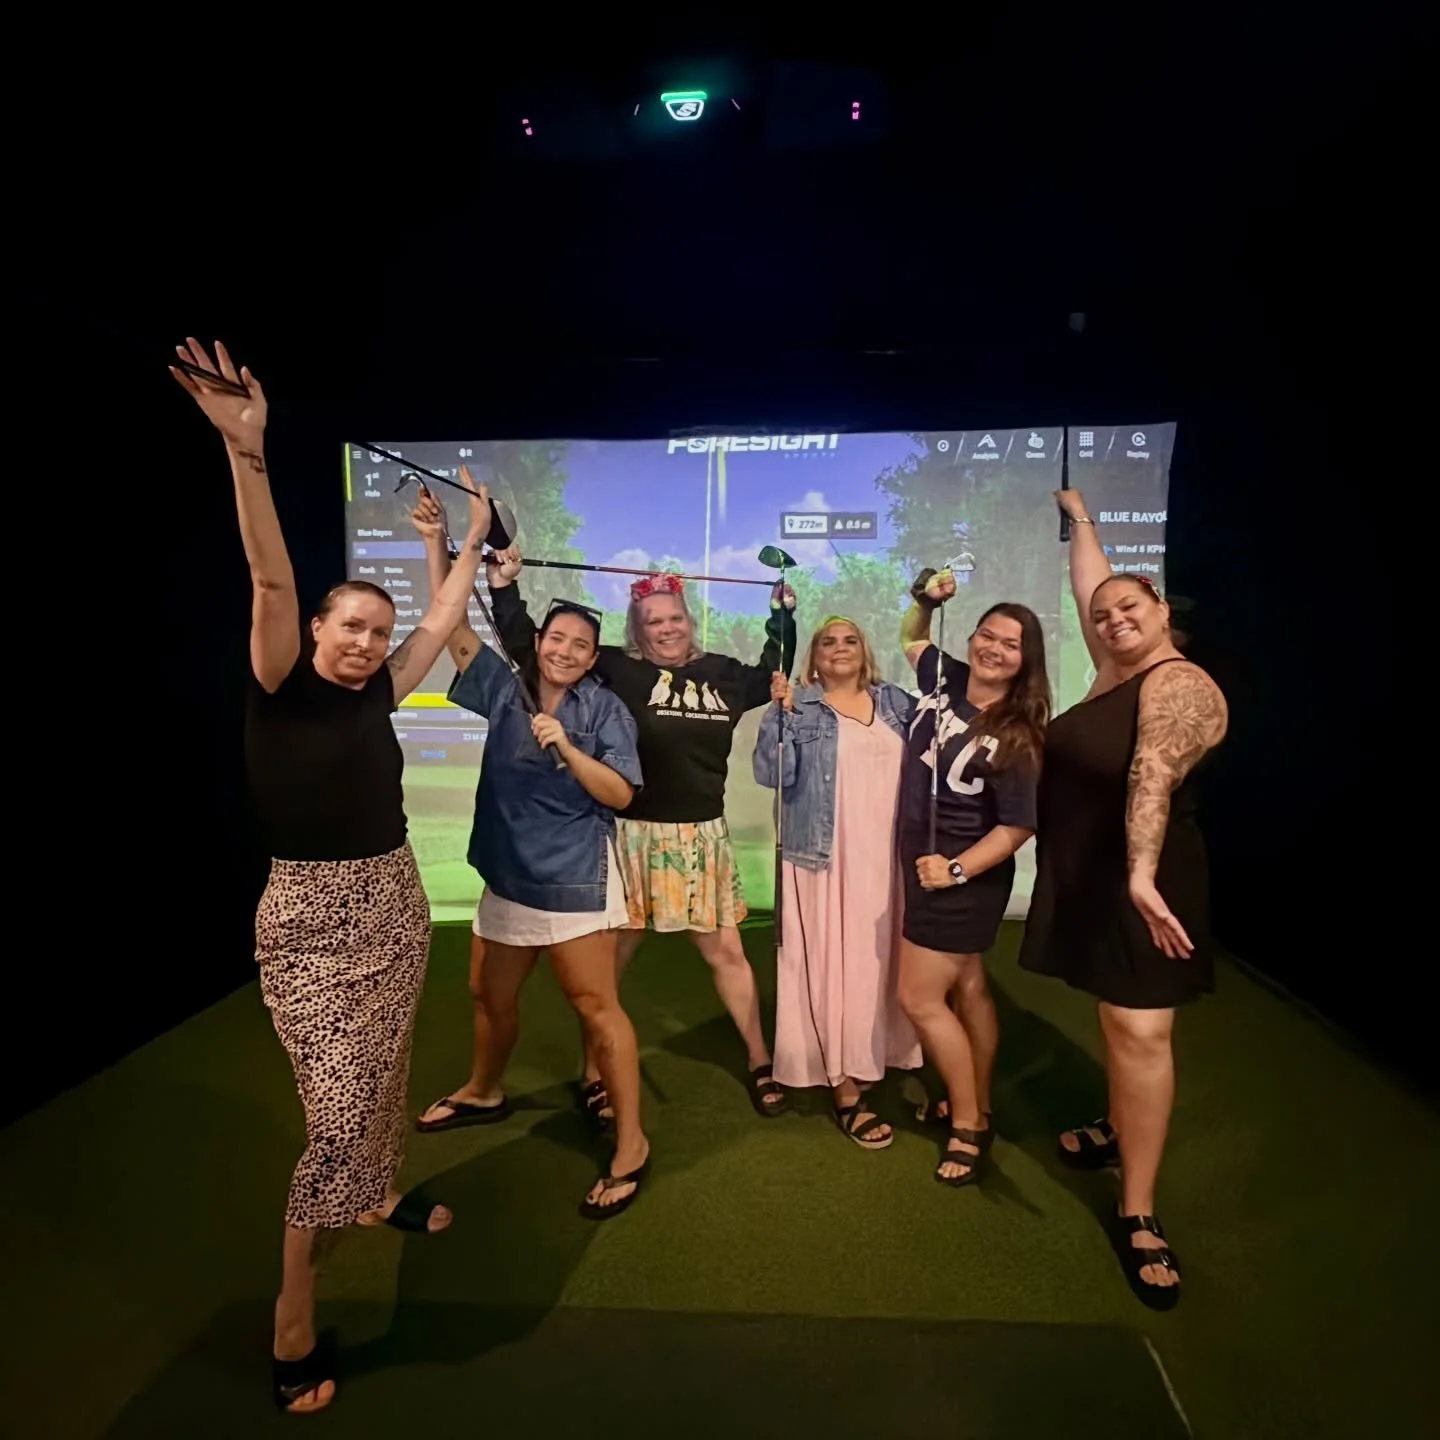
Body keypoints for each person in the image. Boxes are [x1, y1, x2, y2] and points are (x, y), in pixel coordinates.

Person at [170, 339, 492, 1415]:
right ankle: (294, 1311)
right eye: (348, 625)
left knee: (388, 1068)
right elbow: (267, 569)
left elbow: (445, 621)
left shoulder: (376, 693)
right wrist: (246, 453)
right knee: (338, 1112)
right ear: (314, 629)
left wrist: (471, 541)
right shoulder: (279, 682)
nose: (365, 642)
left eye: (377, 630)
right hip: (305, 916)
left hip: (393, 898)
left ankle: (379, 1197)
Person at [461, 555, 796, 1125]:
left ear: (689, 620)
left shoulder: (724, 673)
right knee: (609, 965)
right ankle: (595, 1072)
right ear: (637, 631)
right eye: (653, 623)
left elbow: (775, 662)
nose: (666, 629)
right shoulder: (615, 668)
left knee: (728, 954)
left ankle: (761, 1060)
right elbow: (531, 647)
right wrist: (504, 587)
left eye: (674, 619)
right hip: (627, 836)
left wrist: (783, 612)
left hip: (698, 837)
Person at [408, 490, 650, 1217]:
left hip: (575, 882)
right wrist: (439, 544)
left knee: (598, 1009)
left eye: (581, 645)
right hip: (508, 877)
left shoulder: (603, 710)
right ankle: (485, 1088)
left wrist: (570, 749)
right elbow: (448, 630)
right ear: (540, 639)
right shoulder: (504, 687)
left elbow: (622, 795)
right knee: (490, 996)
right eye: (557, 639)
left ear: (592, 655)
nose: (566, 651)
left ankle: (631, 1144)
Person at [1019, 489, 1227, 1310]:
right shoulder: (1113, 670)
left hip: (1150, 880)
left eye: (1128, 608)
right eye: (1101, 615)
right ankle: (1116, 1121)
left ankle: (1138, 1209)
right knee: (1112, 1017)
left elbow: (1150, 777)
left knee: (1141, 1031)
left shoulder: (1180, 685)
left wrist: (1139, 878)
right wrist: (1085, 524)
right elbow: (1091, 587)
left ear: (1162, 610)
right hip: (1098, 875)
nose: (1109, 619)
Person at [895, 569, 1049, 1188]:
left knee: (920, 999)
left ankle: (967, 1125)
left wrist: (956, 870)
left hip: (960, 878)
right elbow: (911, 638)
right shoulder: (947, 677)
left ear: (1024, 661)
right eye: (987, 634)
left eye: (1010, 644)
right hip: (927, 867)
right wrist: (923, 602)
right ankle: (978, 1099)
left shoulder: (1019, 731)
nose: (992, 647)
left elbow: (1018, 826)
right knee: (970, 989)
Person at [752, 616, 921, 1146]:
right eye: (829, 641)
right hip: (822, 859)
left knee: (882, 963)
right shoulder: (799, 706)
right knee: (828, 967)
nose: (840, 648)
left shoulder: (896, 702)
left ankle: (883, 1056)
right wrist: (780, 717)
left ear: (865, 651)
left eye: (851, 640)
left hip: (889, 860)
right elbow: (768, 772)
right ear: (814, 659)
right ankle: (843, 1084)